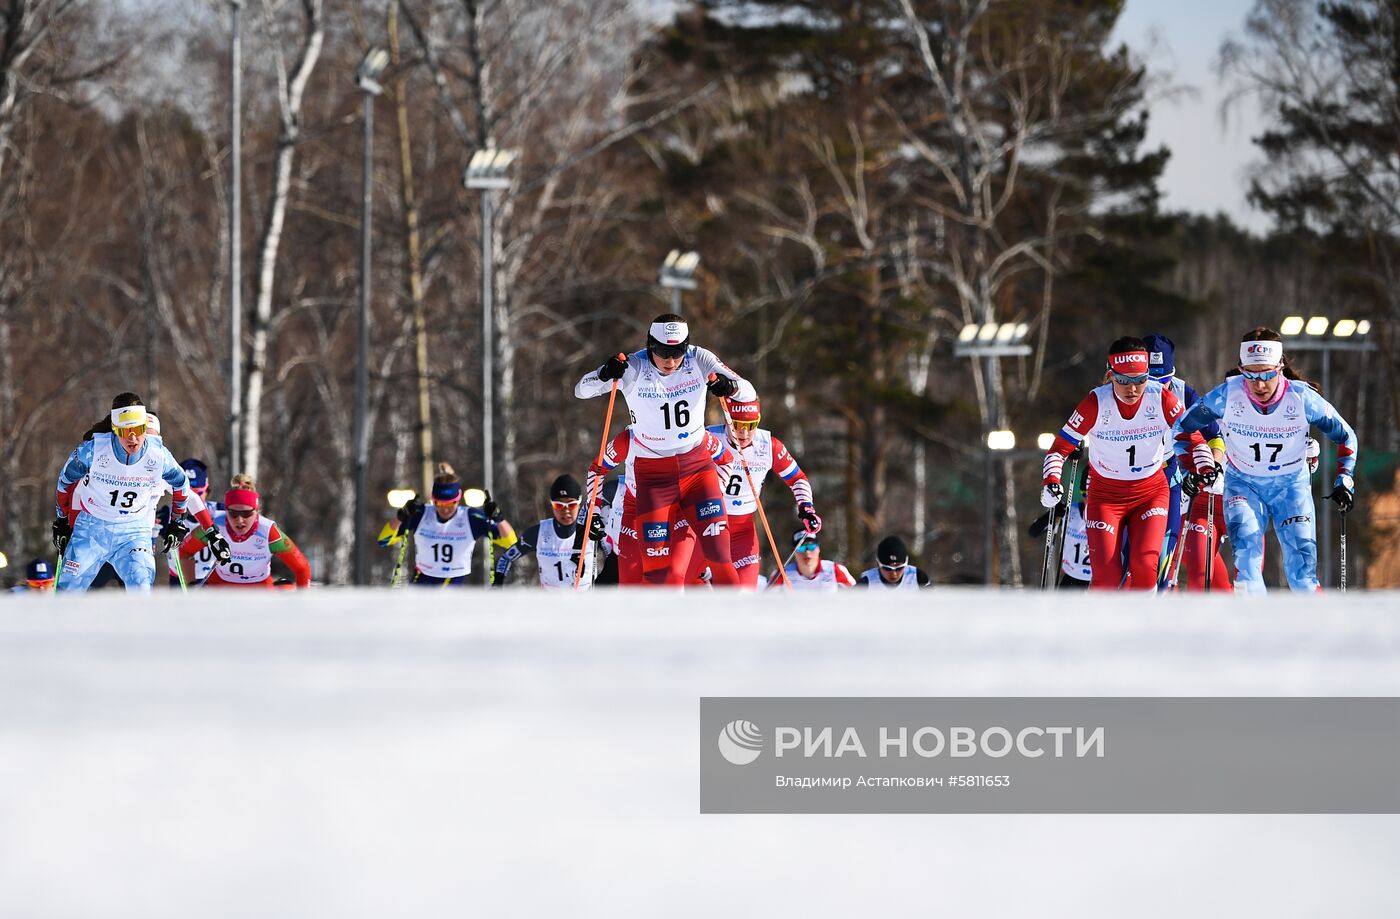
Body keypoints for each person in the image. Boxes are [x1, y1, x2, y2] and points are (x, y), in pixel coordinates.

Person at [575, 314, 756, 586]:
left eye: (677, 352)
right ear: (650, 345)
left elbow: (748, 391)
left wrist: (729, 386)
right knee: (657, 571)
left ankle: (735, 624)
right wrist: (604, 373)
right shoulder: (634, 367)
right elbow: (581, 390)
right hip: (653, 478)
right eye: (663, 352)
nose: (671, 361)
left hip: (696, 469)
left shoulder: (699, 358)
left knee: (719, 554)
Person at [1173, 326, 1358, 592]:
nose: (1259, 384)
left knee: (1302, 573)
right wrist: (1190, 468)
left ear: (1280, 367)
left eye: (1268, 375)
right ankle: (1253, 631)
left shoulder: (1303, 398)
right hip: (1243, 486)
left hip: (1291, 487)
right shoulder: (1226, 395)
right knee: (1246, 569)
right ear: (1241, 369)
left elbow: (1347, 437)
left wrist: (1345, 480)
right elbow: (1181, 427)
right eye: (1250, 375)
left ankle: (1316, 629)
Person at [1040, 338, 1210, 590]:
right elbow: (1059, 449)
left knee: (1145, 567)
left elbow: (1193, 438)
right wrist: (1051, 481)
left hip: (1150, 494)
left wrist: (1207, 468)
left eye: (1140, 380)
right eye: (1123, 381)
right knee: (1106, 578)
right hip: (1106, 497)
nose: (1132, 389)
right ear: (1110, 376)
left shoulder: (1161, 397)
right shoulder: (1095, 403)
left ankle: (1142, 627)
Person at [53, 392, 228, 591]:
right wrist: (64, 521)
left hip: (134, 532)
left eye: (140, 430)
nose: (134, 438)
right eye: (126, 431)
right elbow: (67, 483)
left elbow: (184, 487)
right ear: (115, 430)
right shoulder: (93, 451)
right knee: (68, 590)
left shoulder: (158, 456)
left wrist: (178, 523)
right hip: (93, 529)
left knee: (141, 585)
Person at [688, 395, 820, 587]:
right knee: (682, 586)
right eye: (738, 424)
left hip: (742, 530)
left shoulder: (769, 446)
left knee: (744, 593)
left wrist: (806, 507)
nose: (744, 432)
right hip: (705, 526)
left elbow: (797, 478)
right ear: (727, 419)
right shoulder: (707, 438)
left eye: (751, 425)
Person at [1143, 333, 1226, 590]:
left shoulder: (1183, 393)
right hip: (1131, 479)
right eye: (1150, 381)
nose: (1158, 390)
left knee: (1165, 553)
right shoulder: (1125, 387)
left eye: (1163, 381)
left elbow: (1215, 437)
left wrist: (1213, 467)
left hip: (1170, 477)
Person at [378, 463, 516, 586]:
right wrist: (400, 517)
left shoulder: (471, 518)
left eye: (451, 504)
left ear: (458, 500)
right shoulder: (421, 514)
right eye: (440, 503)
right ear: (433, 500)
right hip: (423, 582)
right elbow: (384, 540)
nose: (445, 509)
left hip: (456, 585)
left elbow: (511, 543)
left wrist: (499, 519)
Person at [178, 475, 312, 588]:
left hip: (259, 588)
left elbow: (302, 569)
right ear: (226, 511)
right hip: (220, 587)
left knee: (286, 588)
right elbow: (185, 551)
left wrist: (301, 602)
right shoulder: (215, 526)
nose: (240, 520)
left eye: (247, 514)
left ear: (257, 511)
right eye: (233, 514)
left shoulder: (269, 532)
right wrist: (191, 584)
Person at [493, 474, 607, 588]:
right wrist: (498, 581)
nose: (565, 510)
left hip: (584, 601)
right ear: (552, 505)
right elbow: (506, 557)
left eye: (571, 505)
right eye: (559, 505)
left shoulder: (590, 531)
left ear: (579, 504)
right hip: (550, 603)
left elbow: (614, 555)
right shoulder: (539, 533)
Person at [157, 458, 223, 587]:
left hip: (211, 579)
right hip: (179, 581)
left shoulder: (220, 512)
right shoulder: (166, 514)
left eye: (198, 493)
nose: (192, 500)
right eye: (186, 494)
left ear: (207, 489)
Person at [767, 530, 854, 591]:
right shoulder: (783, 574)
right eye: (801, 548)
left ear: (818, 549)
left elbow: (858, 593)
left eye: (811, 547)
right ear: (794, 552)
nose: (807, 552)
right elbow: (766, 599)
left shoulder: (835, 570)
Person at [855, 535, 930, 589]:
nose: (894, 574)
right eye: (887, 568)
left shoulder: (918, 578)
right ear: (878, 564)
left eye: (899, 568)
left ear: (906, 563)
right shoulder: (866, 582)